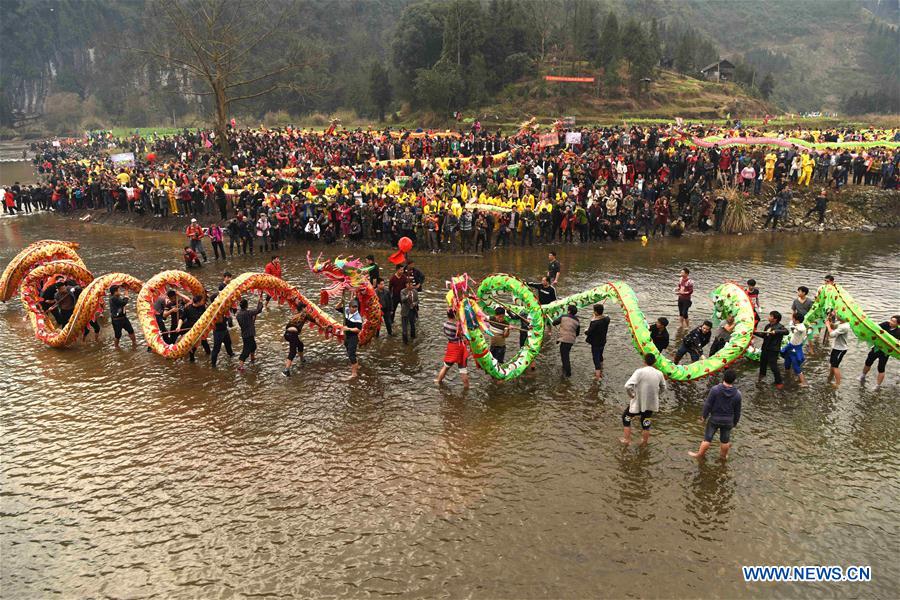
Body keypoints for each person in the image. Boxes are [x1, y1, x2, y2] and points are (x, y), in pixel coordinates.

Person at [689, 368, 742, 460]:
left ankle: (699, 455)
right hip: (728, 420)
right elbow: (738, 411)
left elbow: (708, 404)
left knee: (707, 438)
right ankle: (723, 457)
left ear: (723, 377)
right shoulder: (738, 394)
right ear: (734, 380)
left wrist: (703, 416)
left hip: (714, 419)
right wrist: (735, 422)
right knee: (725, 441)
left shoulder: (715, 389)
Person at [622, 353, 667, 446]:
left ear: (644, 361)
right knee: (646, 423)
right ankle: (644, 442)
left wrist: (632, 395)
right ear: (654, 362)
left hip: (638, 402)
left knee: (626, 418)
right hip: (650, 404)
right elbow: (663, 387)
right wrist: (656, 395)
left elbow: (627, 386)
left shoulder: (639, 372)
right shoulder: (659, 373)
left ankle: (626, 440)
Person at [860, 315, 899, 388]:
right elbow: (875, 328)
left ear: (898, 324)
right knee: (868, 362)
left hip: (885, 352)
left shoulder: (898, 332)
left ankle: (877, 385)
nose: (890, 322)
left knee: (881, 367)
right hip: (876, 348)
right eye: (891, 320)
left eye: (893, 321)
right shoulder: (885, 324)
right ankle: (863, 376)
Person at [435, 309, 470, 388]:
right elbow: (463, 336)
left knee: (446, 366)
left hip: (451, 346)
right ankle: (466, 387)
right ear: (455, 315)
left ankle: (438, 381)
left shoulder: (445, 324)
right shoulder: (457, 327)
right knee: (463, 370)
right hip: (459, 348)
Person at [754, 310, 788, 388]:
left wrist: (776, 331)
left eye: (770, 316)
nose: (769, 317)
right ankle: (761, 377)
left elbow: (786, 332)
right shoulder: (767, 326)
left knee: (773, 366)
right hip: (765, 348)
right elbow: (763, 335)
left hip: (773, 350)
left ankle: (779, 382)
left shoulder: (780, 326)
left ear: (775, 319)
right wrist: (754, 332)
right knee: (763, 363)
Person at [178, 293, 211, 362]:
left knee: (205, 343)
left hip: (201, 329)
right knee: (192, 345)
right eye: (202, 301)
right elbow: (181, 318)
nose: (203, 302)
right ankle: (191, 359)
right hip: (191, 329)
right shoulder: (188, 308)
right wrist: (178, 327)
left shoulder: (202, 307)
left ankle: (208, 356)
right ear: (198, 302)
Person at [236, 293, 264, 372]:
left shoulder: (238, 315)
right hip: (249, 334)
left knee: (253, 346)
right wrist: (260, 301)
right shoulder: (248, 313)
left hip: (245, 334)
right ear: (246, 305)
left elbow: (248, 322)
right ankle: (240, 366)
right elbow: (259, 310)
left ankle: (252, 358)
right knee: (246, 350)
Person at [824, 310, 852, 387]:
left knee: (835, 366)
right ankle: (830, 377)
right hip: (836, 347)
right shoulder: (841, 323)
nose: (836, 315)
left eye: (838, 315)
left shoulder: (845, 326)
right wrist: (829, 322)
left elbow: (832, 334)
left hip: (841, 349)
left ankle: (837, 383)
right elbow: (834, 326)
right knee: (832, 363)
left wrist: (828, 326)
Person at [339, 298, 364, 379]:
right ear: (349, 307)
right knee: (349, 351)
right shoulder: (346, 310)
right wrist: (340, 302)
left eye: (356, 307)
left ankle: (354, 374)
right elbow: (336, 308)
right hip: (346, 336)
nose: (354, 309)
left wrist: (348, 329)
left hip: (353, 337)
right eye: (353, 307)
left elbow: (358, 329)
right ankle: (357, 365)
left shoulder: (358, 317)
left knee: (351, 354)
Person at [782, 312, 808, 387]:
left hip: (795, 348)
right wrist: (793, 325)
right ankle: (788, 375)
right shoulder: (795, 324)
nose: (791, 319)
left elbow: (801, 329)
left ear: (797, 320)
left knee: (796, 365)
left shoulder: (802, 327)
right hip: (790, 346)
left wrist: (794, 326)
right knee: (787, 362)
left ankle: (804, 382)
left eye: (793, 318)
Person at [585, 304, 610, 380]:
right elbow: (604, 317)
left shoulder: (594, 323)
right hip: (603, 341)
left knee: (596, 359)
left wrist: (585, 330)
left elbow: (589, 332)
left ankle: (597, 377)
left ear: (595, 312)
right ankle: (601, 368)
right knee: (600, 355)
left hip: (595, 343)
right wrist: (596, 316)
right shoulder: (607, 319)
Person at [554, 304, 580, 377]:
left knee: (565, 357)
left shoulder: (563, 316)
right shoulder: (577, 320)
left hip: (564, 339)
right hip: (571, 340)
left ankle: (568, 374)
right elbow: (577, 333)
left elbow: (554, 322)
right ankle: (564, 369)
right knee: (565, 354)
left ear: (568, 311)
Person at [209, 293, 234, 368]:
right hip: (218, 331)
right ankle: (213, 364)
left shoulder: (220, 307)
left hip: (224, 329)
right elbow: (218, 321)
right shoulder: (214, 309)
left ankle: (230, 354)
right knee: (216, 348)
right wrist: (226, 317)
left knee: (228, 342)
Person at [109, 285, 137, 349]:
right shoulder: (113, 298)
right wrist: (126, 293)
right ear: (115, 292)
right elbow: (123, 303)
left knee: (131, 330)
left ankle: (134, 343)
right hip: (117, 320)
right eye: (118, 290)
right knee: (118, 335)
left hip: (123, 318)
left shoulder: (116, 297)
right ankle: (116, 346)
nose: (120, 292)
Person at [282, 309, 308, 377]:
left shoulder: (295, 318)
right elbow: (314, 320)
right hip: (292, 334)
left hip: (287, 334)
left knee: (300, 345)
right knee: (292, 352)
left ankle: (302, 360)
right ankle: (286, 370)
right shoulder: (301, 319)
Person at [399, 278, 419, 344]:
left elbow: (417, 300)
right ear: (406, 285)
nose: (410, 286)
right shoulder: (403, 291)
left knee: (412, 326)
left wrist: (415, 303)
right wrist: (407, 296)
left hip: (412, 311)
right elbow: (402, 300)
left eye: (411, 284)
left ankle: (413, 338)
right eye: (408, 284)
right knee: (404, 329)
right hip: (405, 311)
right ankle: (405, 342)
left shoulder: (415, 291)